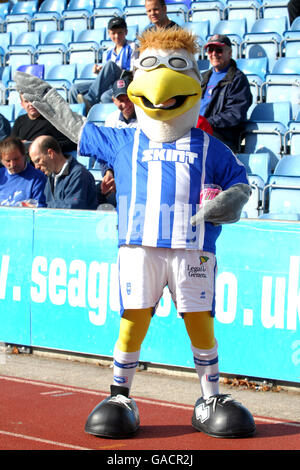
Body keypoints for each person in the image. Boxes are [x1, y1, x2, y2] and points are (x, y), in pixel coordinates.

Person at [15, 27, 255, 439]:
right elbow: (76, 127)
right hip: (138, 248)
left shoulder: (209, 145)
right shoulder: (124, 141)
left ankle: (210, 396)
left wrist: (228, 203)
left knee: (200, 322)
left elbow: (240, 184)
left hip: (193, 249)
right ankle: (120, 394)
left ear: (196, 83)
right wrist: (45, 98)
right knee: (133, 321)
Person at [69, 17, 137, 112]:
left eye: (120, 32)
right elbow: (107, 74)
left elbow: (132, 72)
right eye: (113, 33)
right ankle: (75, 116)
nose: (117, 36)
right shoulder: (109, 51)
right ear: (109, 33)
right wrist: (99, 72)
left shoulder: (132, 47)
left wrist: (110, 69)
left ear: (126, 32)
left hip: (124, 82)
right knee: (74, 89)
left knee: (110, 67)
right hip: (111, 83)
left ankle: (90, 100)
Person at [199, 34, 252, 153]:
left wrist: (206, 123)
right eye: (210, 50)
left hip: (221, 136)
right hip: (199, 130)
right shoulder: (202, 77)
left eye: (219, 50)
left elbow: (234, 114)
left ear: (229, 53)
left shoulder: (238, 79)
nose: (214, 54)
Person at [99, 74, 138, 208]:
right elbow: (105, 151)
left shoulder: (145, 118)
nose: (125, 104)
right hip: (118, 173)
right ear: (114, 100)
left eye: (128, 99)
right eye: (120, 100)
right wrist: (108, 172)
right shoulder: (111, 119)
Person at [29, 135, 98, 210]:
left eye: (38, 161)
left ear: (50, 153)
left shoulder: (79, 174)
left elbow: (73, 208)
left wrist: (42, 207)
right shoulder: (50, 175)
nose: (36, 167)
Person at [11, 94, 77, 153]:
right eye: (26, 101)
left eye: (33, 100)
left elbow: (72, 143)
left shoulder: (53, 120)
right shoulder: (20, 120)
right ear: (22, 105)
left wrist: (45, 146)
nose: (31, 104)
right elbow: (11, 144)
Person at [0, 137, 46, 207]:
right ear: (1, 160)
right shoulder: (1, 175)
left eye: (16, 159)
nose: (13, 164)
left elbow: (40, 209)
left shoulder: (38, 178)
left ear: (24, 155)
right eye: (8, 161)